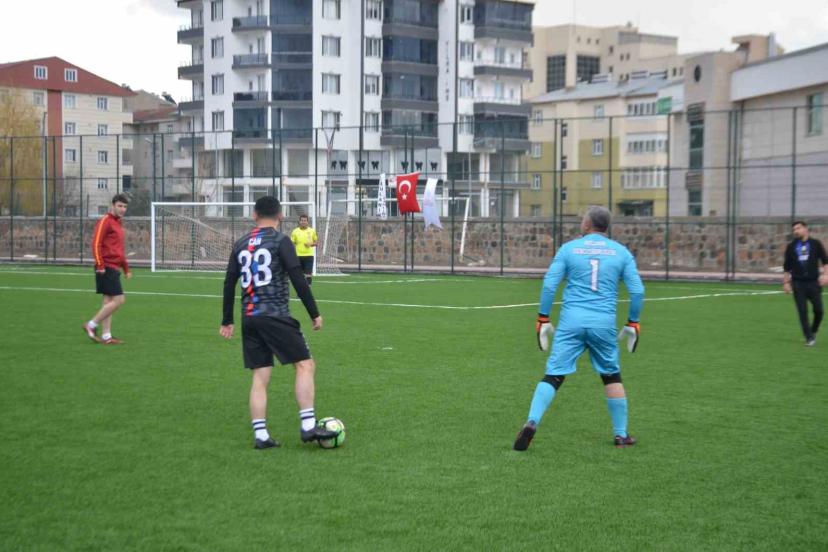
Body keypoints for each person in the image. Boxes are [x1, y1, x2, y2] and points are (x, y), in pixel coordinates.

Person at [514, 206, 645, 451]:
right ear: (606, 226)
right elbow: (637, 291)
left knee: (553, 374)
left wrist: (543, 317)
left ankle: (532, 422)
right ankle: (621, 435)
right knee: (611, 375)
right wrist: (633, 322)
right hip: (603, 324)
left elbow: (549, 285)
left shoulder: (569, 249)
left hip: (571, 323)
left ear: (586, 224)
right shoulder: (621, 252)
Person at [220, 196, 337, 449]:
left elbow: (229, 282)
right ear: (280, 216)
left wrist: (227, 319)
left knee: (260, 376)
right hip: (275, 314)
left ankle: (261, 436)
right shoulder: (281, 241)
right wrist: (314, 313)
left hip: (249, 318)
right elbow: (297, 277)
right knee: (305, 365)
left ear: (254, 215)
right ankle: (308, 425)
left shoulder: (240, 243)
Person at [83, 194, 132, 345]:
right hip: (106, 267)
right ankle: (91, 325)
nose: (122, 209)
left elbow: (119, 250)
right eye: (120, 206)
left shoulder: (118, 224)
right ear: (113, 205)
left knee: (108, 302)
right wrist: (100, 265)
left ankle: (106, 336)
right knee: (119, 300)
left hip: (114, 267)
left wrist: (125, 268)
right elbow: (96, 243)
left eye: (125, 207)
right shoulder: (106, 220)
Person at [783, 221, 828, 346]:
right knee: (802, 312)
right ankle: (809, 338)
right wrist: (786, 282)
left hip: (813, 283)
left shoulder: (816, 244)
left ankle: (813, 330)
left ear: (805, 228)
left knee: (819, 310)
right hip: (798, 284)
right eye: (794, 229)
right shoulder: (791, 246)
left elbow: (825, 261)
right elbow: (787, 267)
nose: (796, 231)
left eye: (798, 228)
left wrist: (826, 275)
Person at [290, 214, 318, 285]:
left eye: (305, 220)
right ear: (299, 221)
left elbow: (316, 242)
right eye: (302, 220)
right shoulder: (295, 231)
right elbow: (291, 243)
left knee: (308, 274)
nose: (303, 222)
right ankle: (300, 290)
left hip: (309, 256)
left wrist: (311, 244)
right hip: (298, 256)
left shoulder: (312, 231)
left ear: (307, 222)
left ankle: (308, 290)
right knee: (299, 275)